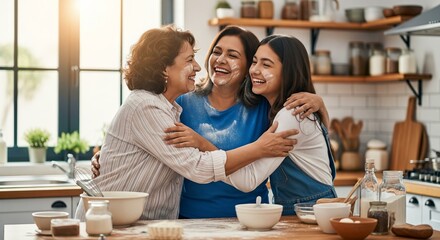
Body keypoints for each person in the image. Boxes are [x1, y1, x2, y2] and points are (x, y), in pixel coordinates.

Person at [92, 26, 329, 218]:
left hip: (246, 219)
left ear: (248, 68)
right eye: (217, 51)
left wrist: (319, 103)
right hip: (188, 218)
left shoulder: (264, 106)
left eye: (233, 55)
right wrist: (108, 156)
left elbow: (312, 138)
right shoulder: (180, 102)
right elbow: (143, 135)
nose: (220, 60)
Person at [245, 35, 337, 215]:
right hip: (307, 210)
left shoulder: (292, 114)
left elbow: (249, 180)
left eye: (266, 64)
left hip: (310, 214)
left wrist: (204, 149)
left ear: (288, 71)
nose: (255, 70)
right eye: (254, 62)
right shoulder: (286, 110)